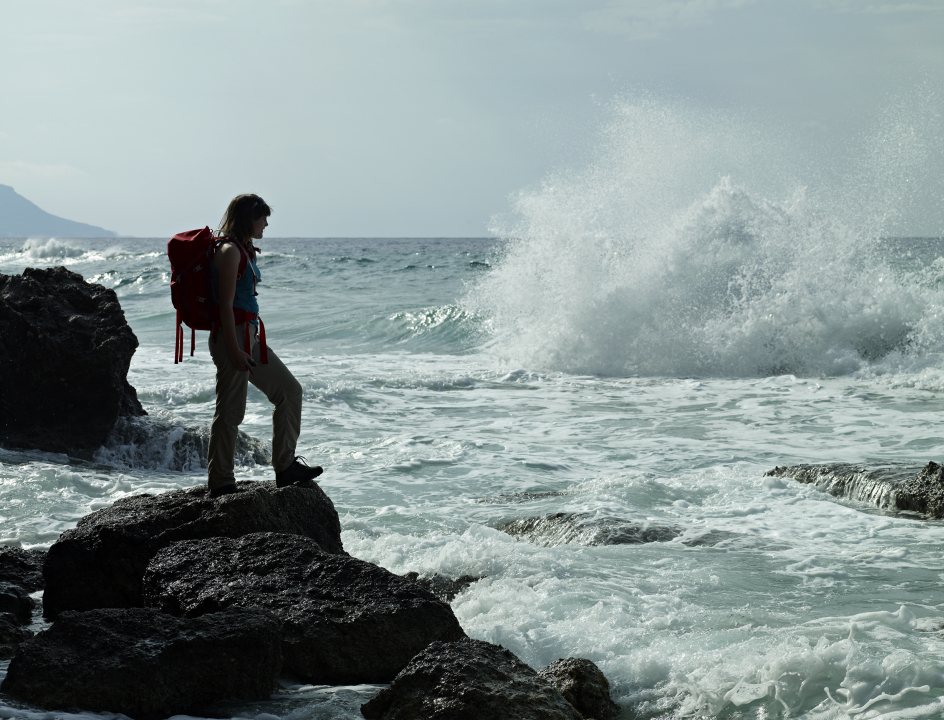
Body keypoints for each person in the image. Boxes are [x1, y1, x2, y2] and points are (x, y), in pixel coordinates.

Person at [206, 193, 323, 498]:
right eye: (263, 218)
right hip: (232, 337)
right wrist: (233, 349)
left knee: (289, 391)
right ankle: (220, 483)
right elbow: (225, 307)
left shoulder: (245, 251)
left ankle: (284, 468)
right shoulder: (230, 251)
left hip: (250, 337)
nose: (267, 224)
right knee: (230, 412)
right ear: (249, 219)